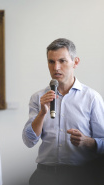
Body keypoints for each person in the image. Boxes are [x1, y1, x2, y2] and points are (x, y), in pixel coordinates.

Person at [22, 38, 104, 185]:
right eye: (51, 62)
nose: (56, 68)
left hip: (82, 176)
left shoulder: (92, 98)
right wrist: (42, 113)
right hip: (44, 175)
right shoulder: (38, 97)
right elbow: (29, 141)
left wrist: (88, 142)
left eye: (62, 61)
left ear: (75, 62)